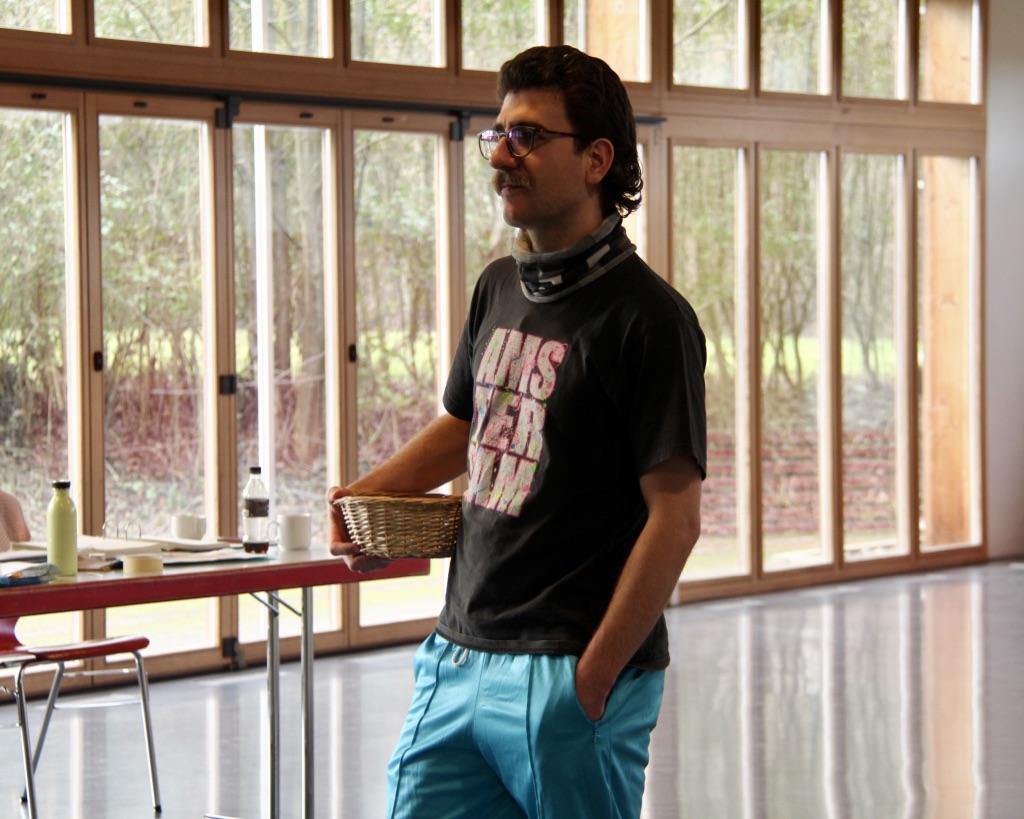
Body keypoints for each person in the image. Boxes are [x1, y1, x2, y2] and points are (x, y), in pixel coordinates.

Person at [327, 44, 706, 819]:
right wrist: (364, 500)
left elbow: (677, 516)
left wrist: (593, 677)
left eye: (528, 136)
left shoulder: (650, 319)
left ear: (597, 158)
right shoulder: (497, 285)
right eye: (497, 135)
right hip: (458, 651)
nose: (502, 154)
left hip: (570, 668)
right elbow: (469, 423)